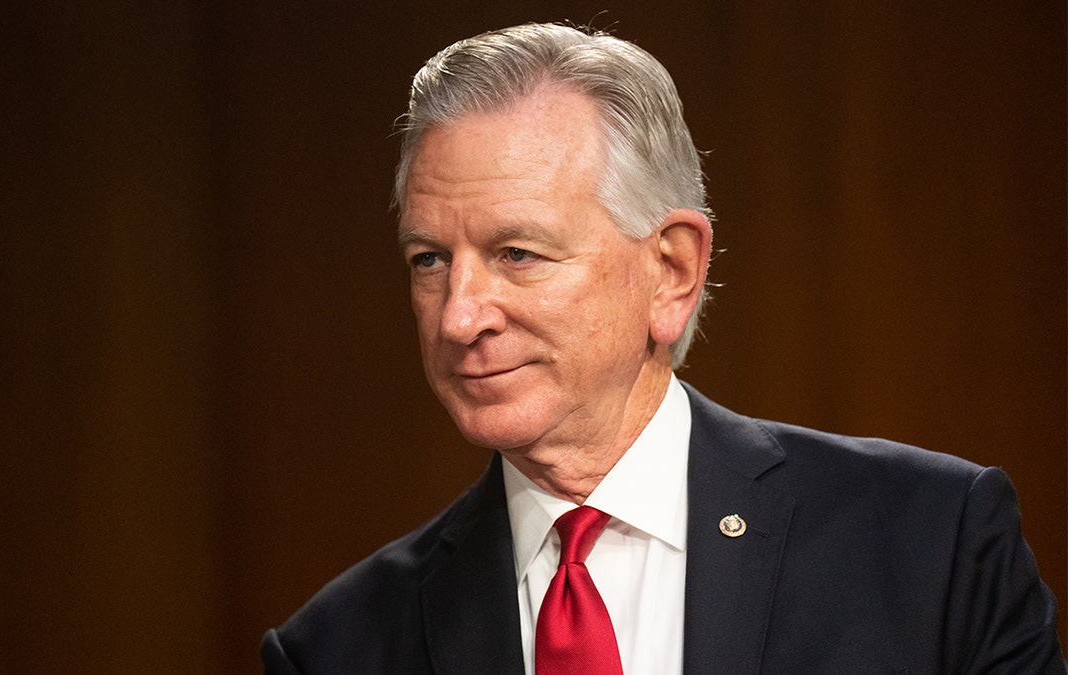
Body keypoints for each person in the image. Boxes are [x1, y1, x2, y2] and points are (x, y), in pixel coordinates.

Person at [262, 22, 1064, 674]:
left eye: (518, 253)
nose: (459, 316)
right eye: (429, 260)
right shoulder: (337, 648)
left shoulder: (931, 545)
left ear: (671, 270)